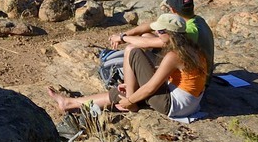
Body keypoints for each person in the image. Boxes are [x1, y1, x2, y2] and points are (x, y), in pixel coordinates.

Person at [53, 12, 209, 118]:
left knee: (133, 52)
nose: (158, 34)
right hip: (191, 103)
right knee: (125, 90)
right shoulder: (191, 47)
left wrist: (130, 100)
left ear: (171, 34)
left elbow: (150, 88)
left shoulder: (174, 56)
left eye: (160, 31)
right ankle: (70, 103)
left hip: (173, 105)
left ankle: (73, 103)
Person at [108, 0, 214, 79]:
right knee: (146, 35)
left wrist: (123, 37)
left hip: (198, 79)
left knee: (134, 49)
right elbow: (149, 26)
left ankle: (135, 75)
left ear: (172, 10)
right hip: (197, 68)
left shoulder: (190, 30)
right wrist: (125, 34)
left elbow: (148, 43)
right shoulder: (196, 20)